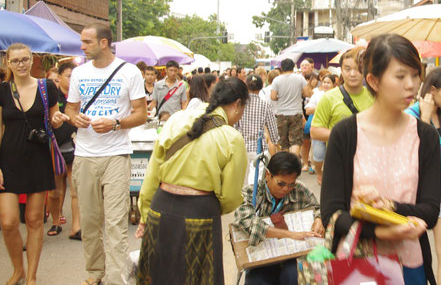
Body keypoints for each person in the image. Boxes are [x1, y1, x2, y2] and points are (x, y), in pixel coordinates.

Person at [321, 34, 441, 285]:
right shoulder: (345, 134)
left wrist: (392, 207)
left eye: (415, 74)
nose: (411, 85)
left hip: (410, 265)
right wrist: (379, 231)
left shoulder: (425, 136)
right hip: (357, 266)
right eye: (400, 76)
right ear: (373, 80)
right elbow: (332, 213)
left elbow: (430, 211)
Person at [136, 77, 248, 285]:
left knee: (159, 275)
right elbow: (231, 196)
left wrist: (144, 213)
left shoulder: (177, 119)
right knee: (199, 277)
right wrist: (210, 206)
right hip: (201, 213)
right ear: (237, 104)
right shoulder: (232, 137)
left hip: (161, 208)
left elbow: (153, 173)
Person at [65, 23, 148, 285]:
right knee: (89, 222)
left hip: (116, 154)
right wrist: (73, 118)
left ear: (103, 43)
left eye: (87, 42)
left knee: (115, 222)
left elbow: (141, 113)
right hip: (85, 154)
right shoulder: (79, 73)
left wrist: (115, 123)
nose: (82, 46)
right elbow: (70, 108)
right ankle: (94, 273)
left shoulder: (129, 72)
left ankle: (114, 278)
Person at [0, 43, 69, 285]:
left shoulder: (46, 86)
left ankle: (31, 277)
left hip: (38, 158)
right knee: (8, 221)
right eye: (15, 60)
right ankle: (18, 269)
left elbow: (54, 119)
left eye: (24, 59)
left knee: (34, 219)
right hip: (8, 160)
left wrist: (58, 119)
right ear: (7, 63)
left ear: (32, 60)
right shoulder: (2, 90)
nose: (20, 64)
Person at [405, 67, 441, 285]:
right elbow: (415, 151)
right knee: (413, 255)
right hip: (416, 193)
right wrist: (425, 117)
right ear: (433, 90)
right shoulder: (410, 115)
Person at [233, 151, 324, 285]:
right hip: (262, 259)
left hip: (292, 257)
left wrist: (318, 218)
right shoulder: (251, 193)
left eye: (291, 184)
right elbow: (249, 223)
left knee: (295, 276)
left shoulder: (299, 190)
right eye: (281, 184)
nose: (286, 189)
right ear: (268, 175)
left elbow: (318, 208)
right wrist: (291, 235)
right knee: (256, 281)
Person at [311, 47, 373, 186]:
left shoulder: (375, 96)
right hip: (338, 164)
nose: (352, 74)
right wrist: (347, 134)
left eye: (358, 69)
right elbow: (315, 131)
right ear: (341, 71)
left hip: (369, 165)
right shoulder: (329, 98)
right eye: (347, 69)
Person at [47, 61, 81, 240]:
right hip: (55, 147)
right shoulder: (52, 95)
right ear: (59, 77)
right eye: (69, 76)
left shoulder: (80, 96)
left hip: (75, 146)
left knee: (75, 188)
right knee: (55, 190)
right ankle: (56, 220)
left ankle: (76, 227)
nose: (72, 80)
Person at [235, 74, 280, 179]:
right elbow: (273, 132)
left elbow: (234, 126)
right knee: (256, 181)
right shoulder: (265, 105)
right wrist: (275, 141)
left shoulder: (239, 104)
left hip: (241, 147)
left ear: (246, 86)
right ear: (261, 86)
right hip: (259, 148)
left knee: (242, 180)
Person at [271, 59, 314, 157]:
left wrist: (281, 97)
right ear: (293, 67)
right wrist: (299, 94)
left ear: (282, 68)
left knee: (283, 142)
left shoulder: (277, 80)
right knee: (295, 141)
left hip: (281, 113)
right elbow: (307, 93)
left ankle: (286, 165)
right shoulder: (300, 78)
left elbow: (273, 97)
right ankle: (293, 161)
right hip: (296, 113)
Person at [304, 73, 337, 183]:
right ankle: (319, 172)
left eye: (329, 82)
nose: (326, 85)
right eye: (324, 82)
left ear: (334, 84)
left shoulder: (338, 96)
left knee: (331, 155)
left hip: (332, 129)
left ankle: (329, 175)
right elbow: (308, 110)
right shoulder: (317, 95)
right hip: (318, 129)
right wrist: (321, 107)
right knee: (318, 155)